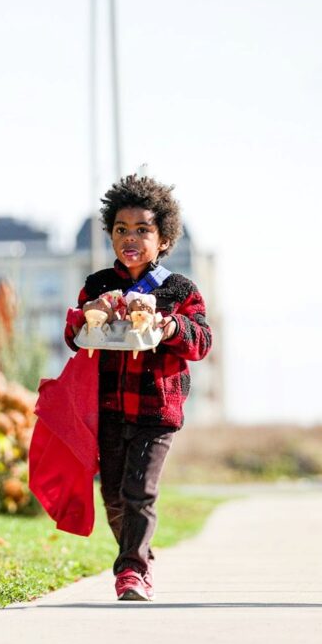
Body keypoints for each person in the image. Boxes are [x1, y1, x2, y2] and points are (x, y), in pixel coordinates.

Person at [64, 173, 213, 601]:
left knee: (138, 491)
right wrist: (87, 314)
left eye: (143, 230)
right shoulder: (97, 286)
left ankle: (131, 570)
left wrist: (169, 326)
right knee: (113, 494)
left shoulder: (178, 289)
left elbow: (202, 341)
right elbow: (74, 336)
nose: (130, 238)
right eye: (121, 230)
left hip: (155, 411)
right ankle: (137, 550)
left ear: (163, 239)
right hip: (108, 409)